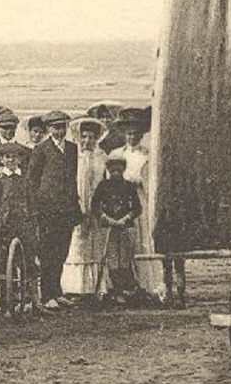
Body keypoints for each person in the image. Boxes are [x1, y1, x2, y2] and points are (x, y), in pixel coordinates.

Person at [26, 110, 81, 310]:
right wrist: (37, 207)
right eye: (55, 128)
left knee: (62, 252)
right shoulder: (41, 150)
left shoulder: (73, 149)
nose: (59, 131)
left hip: (67, 209)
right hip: (47, 210)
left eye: (62, 127)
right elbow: (31, 180)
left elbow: (74, 180)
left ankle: (57, 292)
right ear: (48, 129)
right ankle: (47, 294)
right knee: (47, 253)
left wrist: (75, 206)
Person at [109, 110, 160, 299]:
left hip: (141, 198)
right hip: (122, 201)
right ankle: (127, 284)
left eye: (135, 133)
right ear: (124, 135)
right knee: (123, 242)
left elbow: (150, 177)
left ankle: (148, 284)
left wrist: (137, 181)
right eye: (129, 133)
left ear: (141, 135)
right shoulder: (116, 154)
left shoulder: (148, 154)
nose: (132, 137)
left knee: (144, 239)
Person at [61, 117, 110, 296]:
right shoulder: (72, 156)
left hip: (97, 205)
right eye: (84, 137)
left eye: (91, 137)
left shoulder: (102, 156)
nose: (87, 141)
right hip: (76, 204)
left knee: (95, 244)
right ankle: (74, 287)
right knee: (77, 243)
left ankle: (96, 286)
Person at [0, 141, 37, 284]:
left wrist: (32, 225)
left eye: (14, 157)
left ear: (20, 159)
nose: (11, 160)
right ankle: (7, 297)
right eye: (7, 156)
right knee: (3, 264)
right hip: (3, 230)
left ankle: (30, 295)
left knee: (28, 263)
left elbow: (32, 204)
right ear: (1, 159)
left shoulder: (24, 179)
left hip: (23, 228)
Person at [91, 155, 143, 302]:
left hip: (125, 226)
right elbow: (95, 205)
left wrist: (125, 218)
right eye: (112, 170)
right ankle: (114, 290)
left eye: (119, 170)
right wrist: (106, 218)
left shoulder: (128, 186)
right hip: (108, 227)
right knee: (112, 258)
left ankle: (128, 289)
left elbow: (137, 208)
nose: (115, 173)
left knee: (125, 259)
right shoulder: (103, 186)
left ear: (124, 170)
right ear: (108, 170)